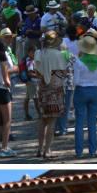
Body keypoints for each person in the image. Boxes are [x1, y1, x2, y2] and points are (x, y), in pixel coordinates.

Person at [34, 31, 68, 159]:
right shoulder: (59, 55)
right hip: (56, 89)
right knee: (52, 121)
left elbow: (36, 72)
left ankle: (39, 148)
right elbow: (64, 72)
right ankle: (47, 150)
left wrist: (44, 77)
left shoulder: (38, 53)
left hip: (42, 88)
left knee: (42, 119)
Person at [73, 34, 97, 158]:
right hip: (95, 91)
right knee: (92, 122)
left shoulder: (78, 61)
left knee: (79, 122)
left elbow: (75, 80)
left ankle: (79, 152)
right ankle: (92, 151)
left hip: (81, 90)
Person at [56, 25, 79, 136]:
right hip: (69, 83)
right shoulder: (71, 55)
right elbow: (78, 64)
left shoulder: (55, 56)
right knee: (66, 107)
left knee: (57, 106)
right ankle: (63, 128)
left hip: (57, 83)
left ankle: (57, 127)